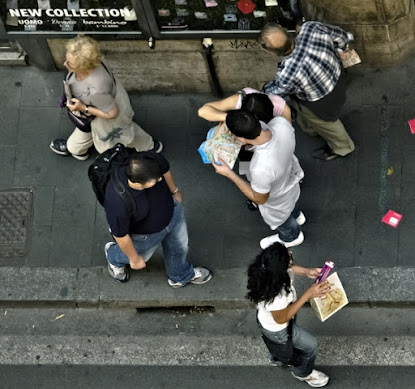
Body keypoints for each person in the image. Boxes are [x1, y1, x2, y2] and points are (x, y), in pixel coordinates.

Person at [104, 151, 212, 287]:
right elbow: (120, 234)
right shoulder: (117, 203)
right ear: (139, 183)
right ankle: (114, 258)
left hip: (173, 215)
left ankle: (180, 275)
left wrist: (174, 191)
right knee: (139, 255)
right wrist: (134, 259)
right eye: (155, 180)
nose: (160, 179)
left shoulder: (148, 161)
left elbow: (165, 169)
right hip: (145, 235)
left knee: (179, 248)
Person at [50, 35, 162, 161]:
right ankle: (75, 149)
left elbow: (112, 114)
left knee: (125, 134)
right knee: (88, 131)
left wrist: (83, 107)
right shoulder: (97, 60)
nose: (65, 64)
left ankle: (148, 147)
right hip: (110, 100)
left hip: (102, 115)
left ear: (84, 67)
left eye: (71, 63)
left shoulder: (96, 90)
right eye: (67, 57)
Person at [259, 21, 355, 161]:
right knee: (310, 117)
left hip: (319, 101)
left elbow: (277, 92)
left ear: (272, 52)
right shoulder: (311, 28)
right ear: (287, 31)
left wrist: (262, 88)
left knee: (329, 124)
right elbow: (341, 36)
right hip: (337, 79)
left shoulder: (288, 73)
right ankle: (311, 128)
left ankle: (343, 147)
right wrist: (341, 50)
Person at [213, 109, 305, 248]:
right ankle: (298, 216)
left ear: (241, 139)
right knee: (292, 205)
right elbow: (284, 108)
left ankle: (292, 237)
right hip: (292, 180)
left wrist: (229, 173)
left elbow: (259, 199)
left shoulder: (260, 168)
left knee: (284, 221)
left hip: (278, 200)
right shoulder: (280, 123)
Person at [247, 242, 330, 387]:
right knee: (310, 346)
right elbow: (281, 319)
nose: (291, 256)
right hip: (278, 329)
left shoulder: (266, 271)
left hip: (266, 321)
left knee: (277, 345)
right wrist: (307, 295)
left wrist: (307, 272)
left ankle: (277, 358)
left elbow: (289, 269)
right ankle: (302, 373)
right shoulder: (277, 297)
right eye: (288, 259)